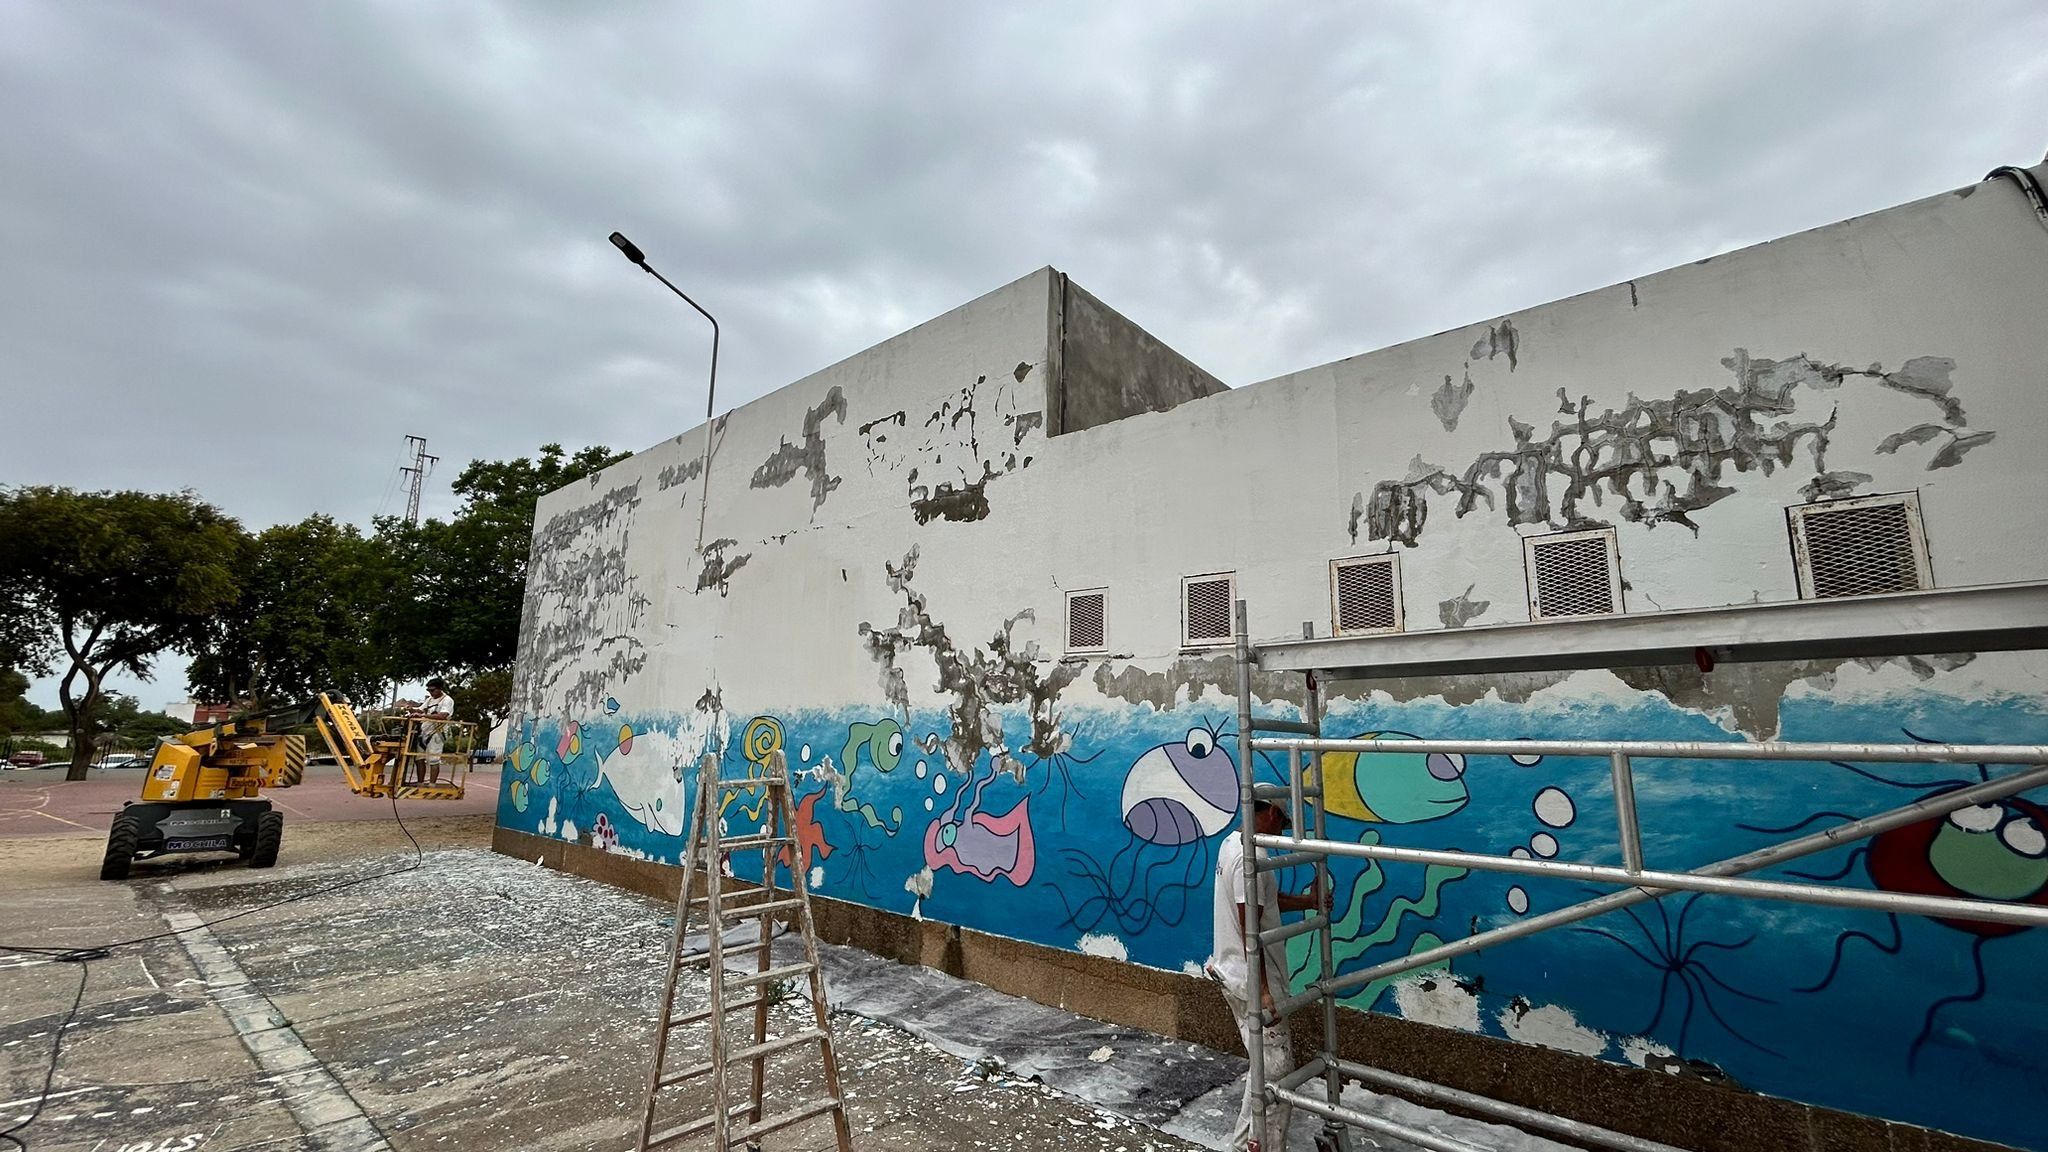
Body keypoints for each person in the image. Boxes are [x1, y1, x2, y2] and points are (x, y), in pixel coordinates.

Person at [1209, 800, 1329, 1152]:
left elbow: (1263, 902)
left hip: (1231, 971)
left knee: (1266, 1069)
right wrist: (1263, 991)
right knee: (1276, 1074)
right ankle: (1257, 1146)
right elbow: (1251, 928)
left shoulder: (1232, 843)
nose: (1283, 832)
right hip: (1252, 982)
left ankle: (1245, 1145)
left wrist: (1307, 903)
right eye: (1283, 823)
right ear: (1273, 814)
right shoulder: (1254, 859)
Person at [407, 679, 455, 786]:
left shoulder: (447, 700)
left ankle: (432, 784)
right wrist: (411, 710)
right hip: (425, 731)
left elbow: (443, 716)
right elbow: (420, 710)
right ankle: (420, 783)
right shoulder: (429, 700)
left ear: (440, 689)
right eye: (428, 690)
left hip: (437, 732)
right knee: (419, 758)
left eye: (432, 690)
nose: (430, 692)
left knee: (434, 759)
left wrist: (423, 716)